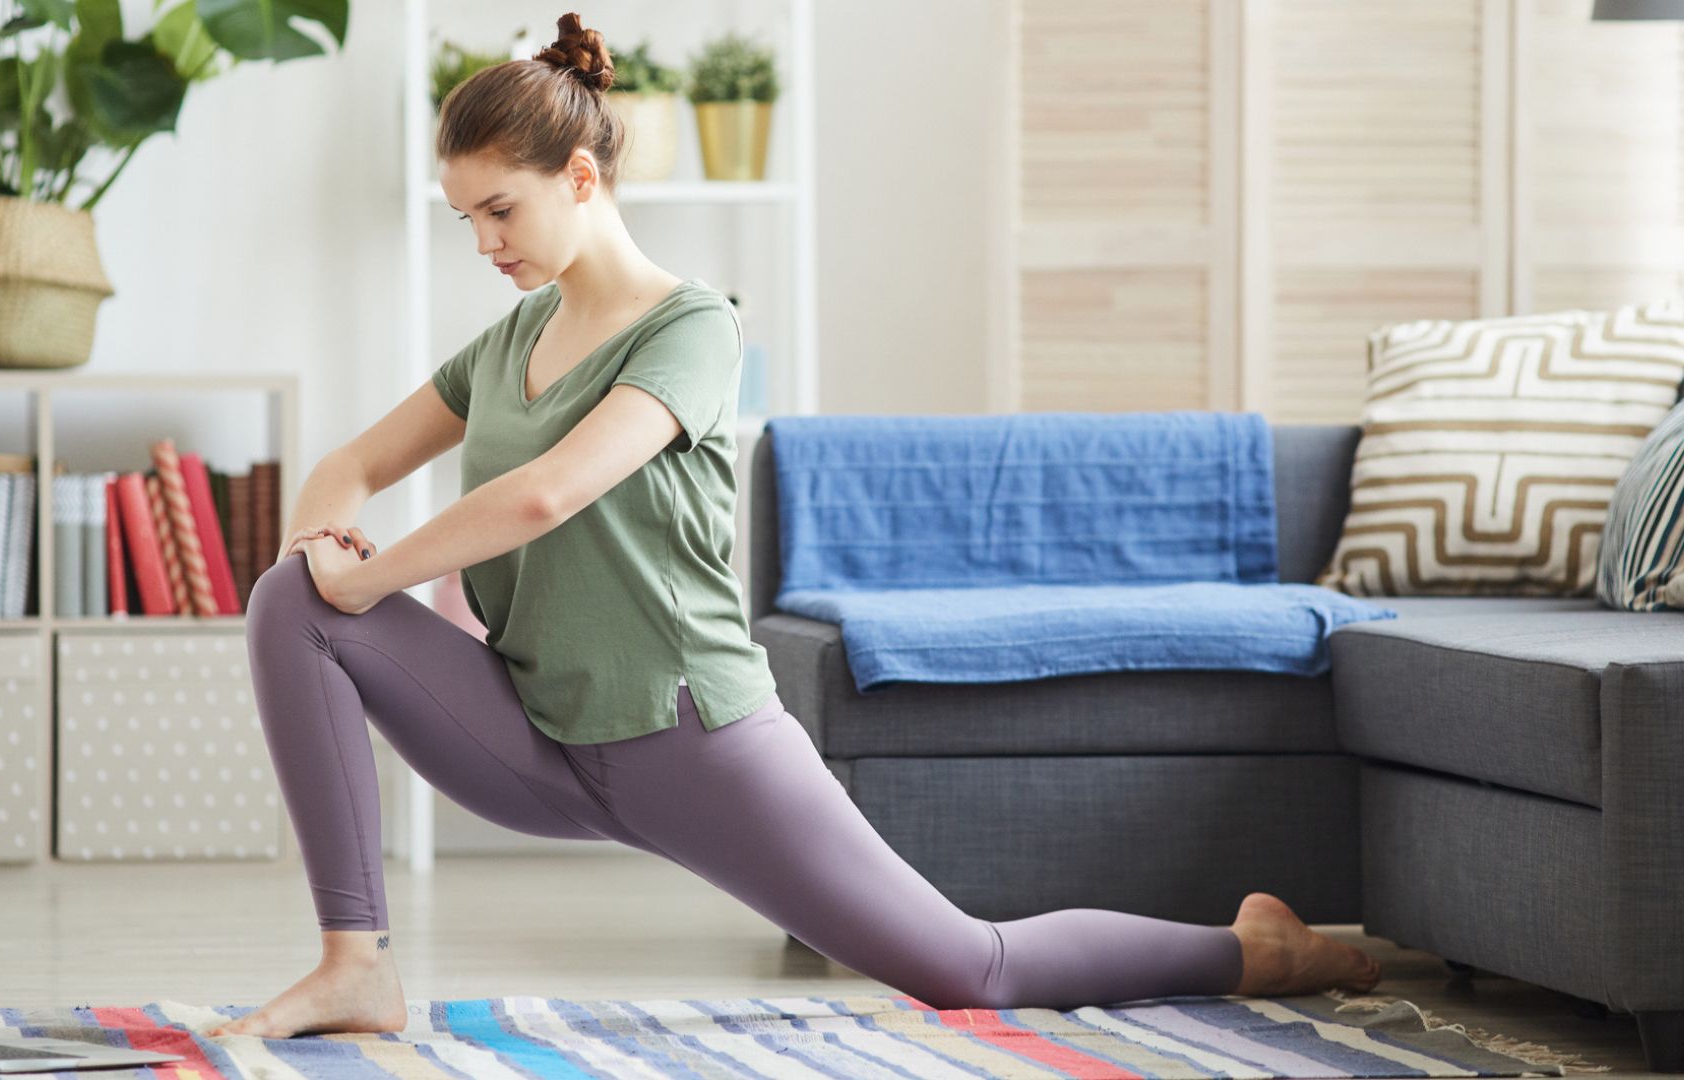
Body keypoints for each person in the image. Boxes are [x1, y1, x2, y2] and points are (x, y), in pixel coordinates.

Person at [205, 12, 1381, 1040]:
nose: (484, 243)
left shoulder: (692, 328)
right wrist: (326, 550)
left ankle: (1254, 950)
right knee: (290, 602)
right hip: (535, 735)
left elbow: (548, 491)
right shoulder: (508, 340)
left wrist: (380, 575)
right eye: (464, 218)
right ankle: (356, 963)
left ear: (578, 176)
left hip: (691, 741)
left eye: (498, 209)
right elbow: (352, 462)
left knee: (971, 968)